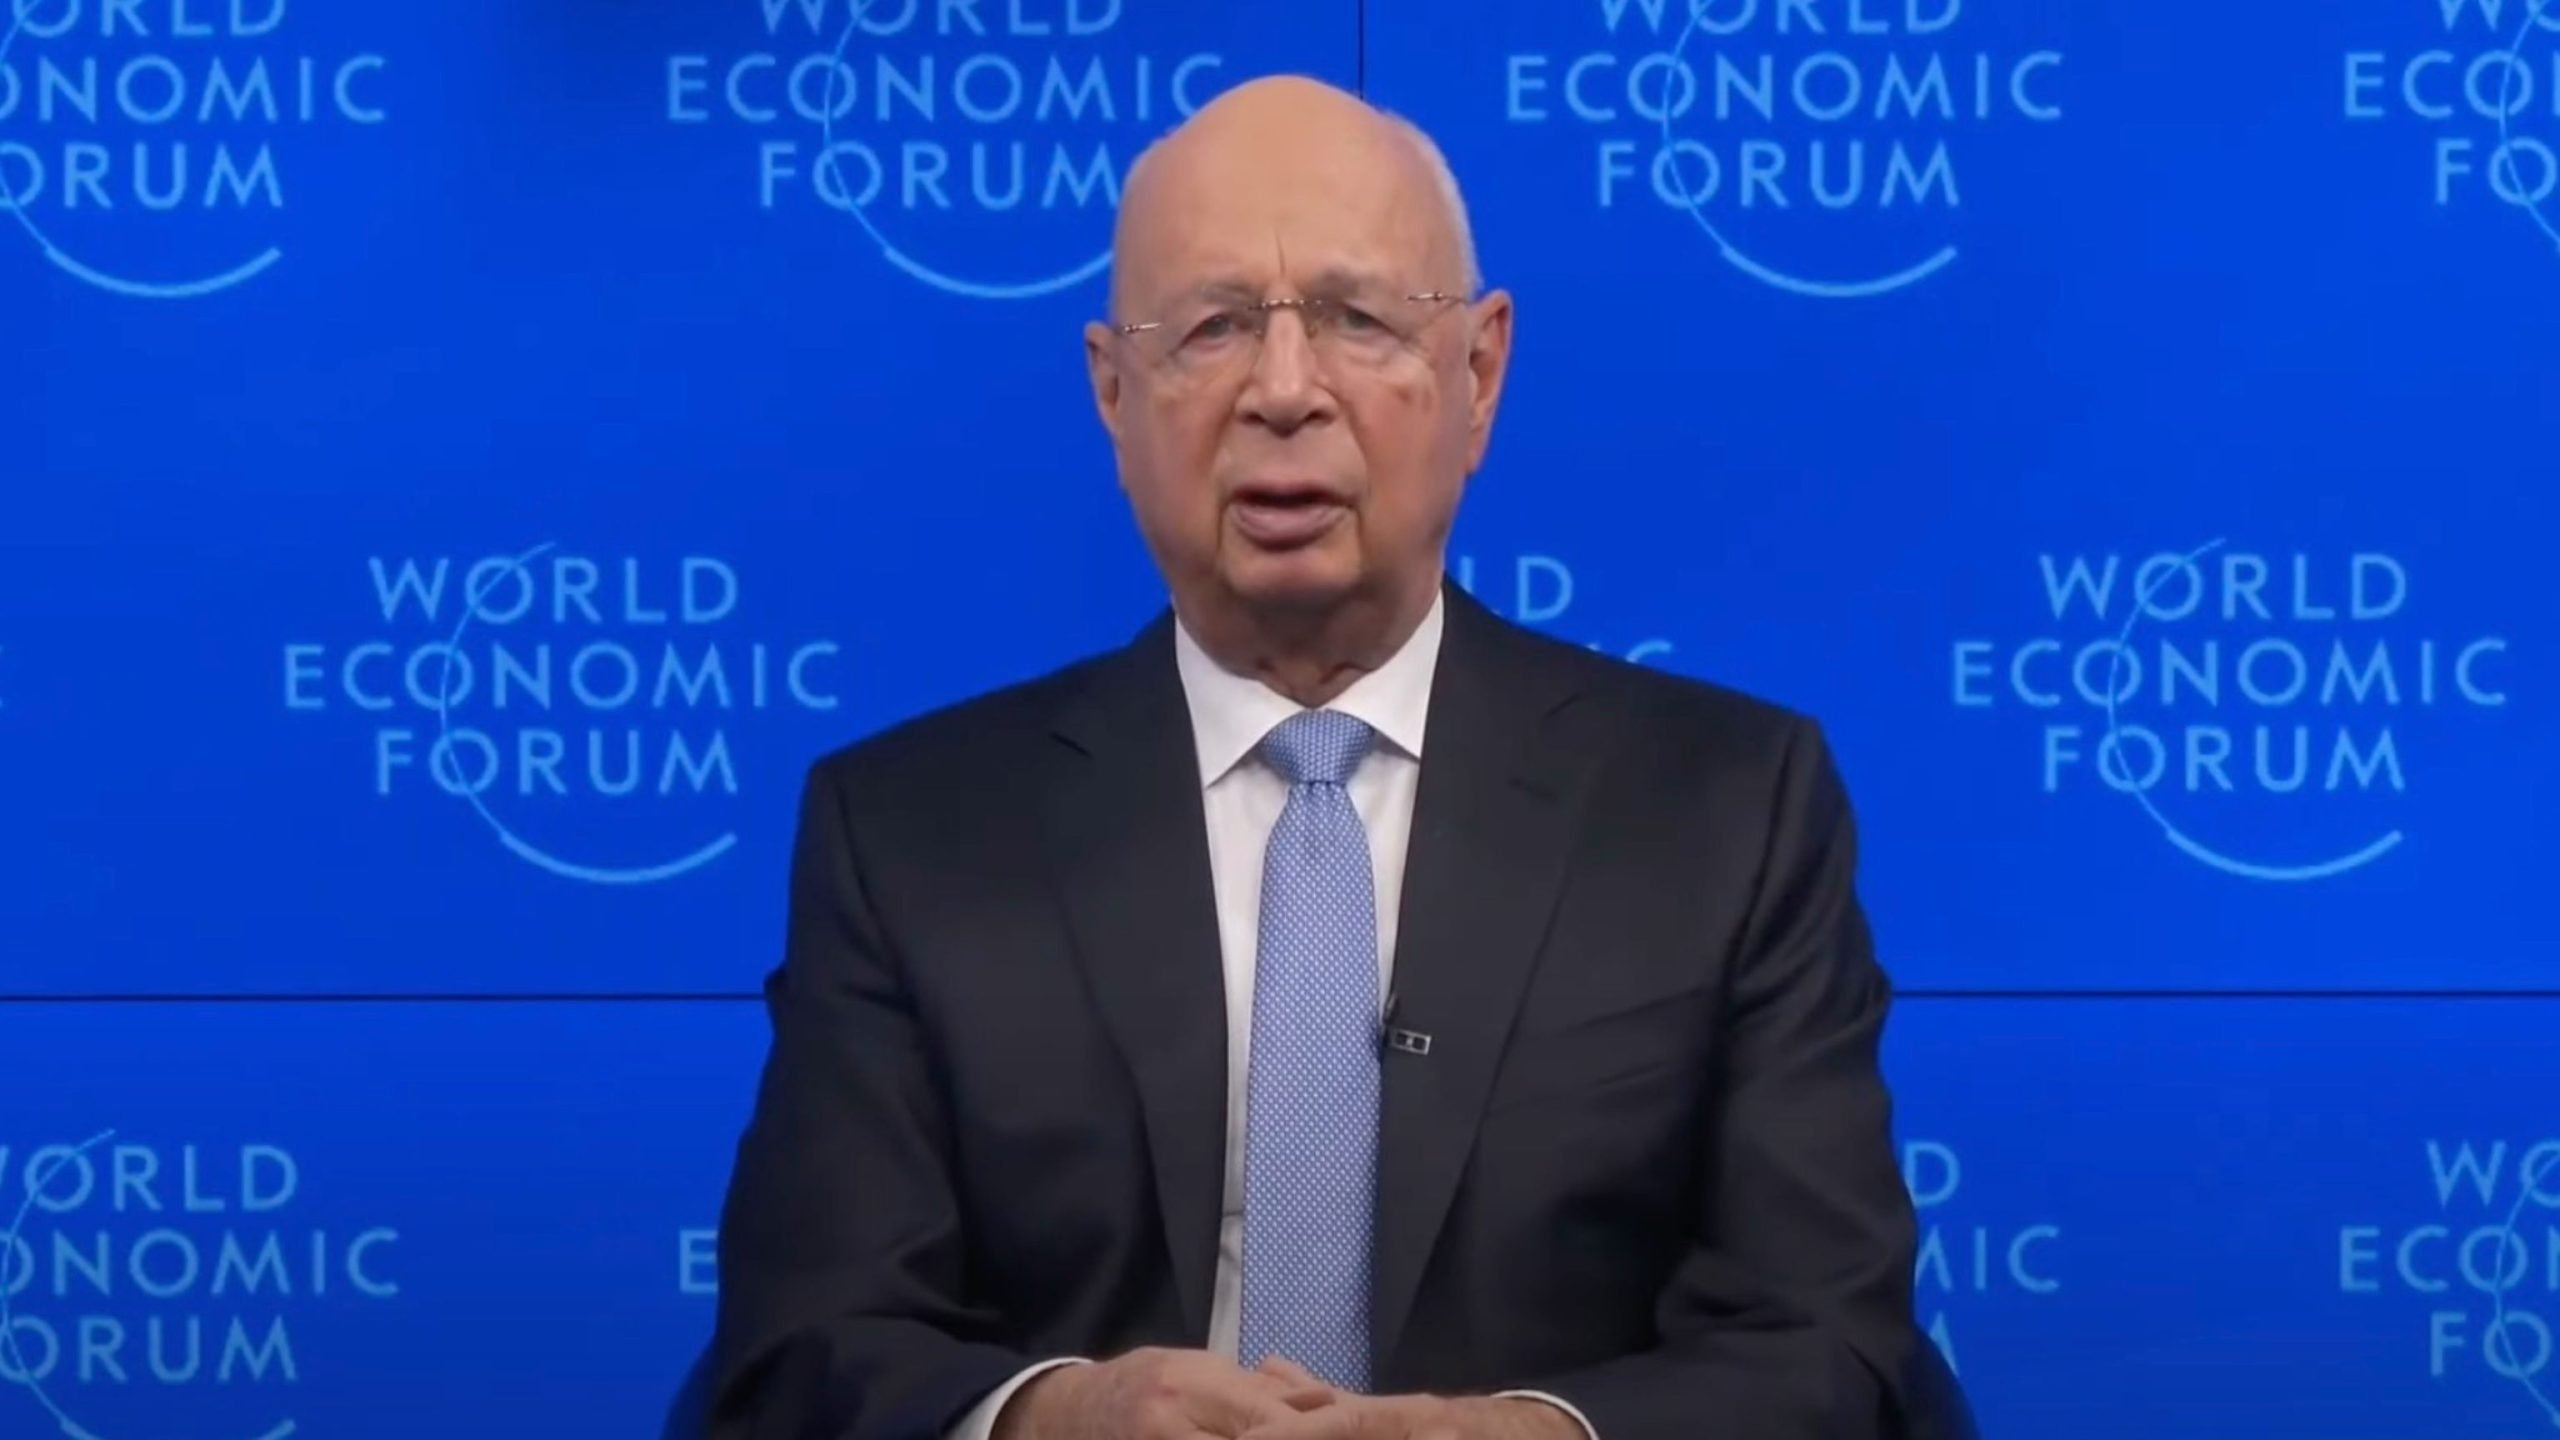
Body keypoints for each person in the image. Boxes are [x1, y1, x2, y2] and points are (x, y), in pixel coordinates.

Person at [707, 74, 1937, 1440]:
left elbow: (1842, 1354)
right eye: (1215, 327)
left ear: (1480, 374)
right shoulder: (909, 838)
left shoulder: (1725, 811)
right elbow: (790, 1360)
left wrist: (1524, 1435)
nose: (1282, 393)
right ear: (1113, 395)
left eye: (1358, 321)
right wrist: (1050, 1417)